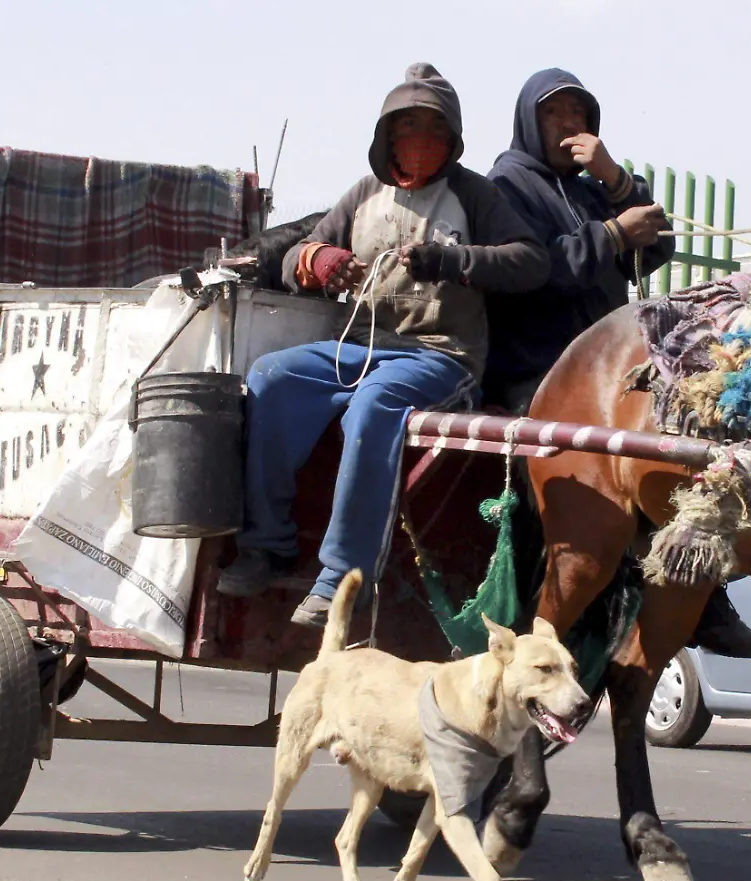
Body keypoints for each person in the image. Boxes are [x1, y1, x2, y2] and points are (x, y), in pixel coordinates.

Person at [216, 63, 550, 628]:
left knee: (375, 406)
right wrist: (323, 263)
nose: (419, 140)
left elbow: (532, 261)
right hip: (361, 344)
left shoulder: (474, 194)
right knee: (272, 376)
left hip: (443, 355)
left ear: (452, 137)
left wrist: (454, 262)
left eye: (433, 128)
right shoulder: (364, 194)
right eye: (407, 126)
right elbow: (303, 257)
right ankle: (266, 545)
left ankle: (343, 580)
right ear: (387, 135)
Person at [486, 68, 751, 659]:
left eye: (578, 114)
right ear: (527, 122)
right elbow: (534, 269)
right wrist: (613, 235)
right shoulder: (506, 186)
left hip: (606, 368)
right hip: (535, 366)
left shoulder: (593, 186)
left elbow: (658, 243)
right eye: (553, 115)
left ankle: (703, 595)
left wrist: (614, 179)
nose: (568, 127)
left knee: (692, 430)